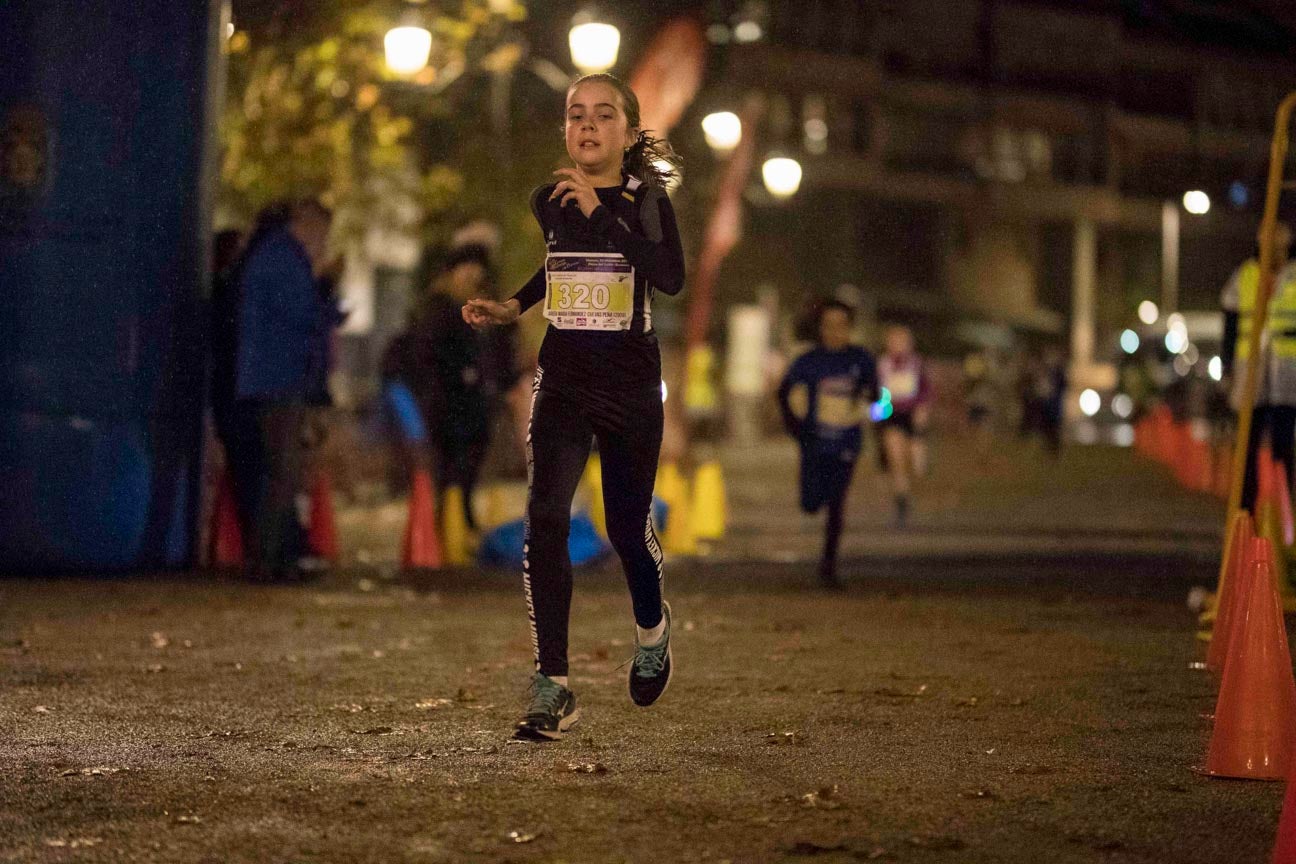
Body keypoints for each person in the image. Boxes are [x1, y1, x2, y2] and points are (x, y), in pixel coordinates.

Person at [461, 73, 685, 742]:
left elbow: (667, 276)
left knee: (624, 529)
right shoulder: (549, 201)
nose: (587, 125)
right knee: (545, 516)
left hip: (630, 386)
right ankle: (552, 684)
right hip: (562, 381)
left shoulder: (648, 200)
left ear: (625, 128)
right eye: (575, 114)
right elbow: (562, 262)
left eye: (603, 114)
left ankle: (652, 627)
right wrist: (514, 305)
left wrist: (600, 211)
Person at [220, 198, 333, 581]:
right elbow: (302, 317)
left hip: (269, 378)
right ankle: (271, 560)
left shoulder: (270, 255)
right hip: (279, 378)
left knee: (278, 471)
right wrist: (328, 293)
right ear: (307, 226)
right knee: (282, 472)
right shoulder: (285, 259)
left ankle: (275, 556)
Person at [409, 242, 518, 531]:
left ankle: (461, 518)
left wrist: (503, 381)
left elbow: (502, 348)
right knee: (448, 464)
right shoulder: (440, 307)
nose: (472, 274)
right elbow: (427, 353)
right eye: (466, 267)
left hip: (479, 400)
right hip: (447, 399)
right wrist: (458, 374)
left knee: (471, 461)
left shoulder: (486, 305)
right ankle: (447, 521)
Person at [777, 300, 878, 588]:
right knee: (810, 503)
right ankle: (815, 500)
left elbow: (877, 394)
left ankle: (828, 566)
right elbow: (783, 392)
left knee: (837, 502)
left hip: (847, 442)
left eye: (841, 325)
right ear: (820, 329)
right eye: (829, 325)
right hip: (814, 443)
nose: (835, 332)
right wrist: (795, 426)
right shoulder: (808, 361)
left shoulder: (861, 359)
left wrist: (874, 407)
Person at [1221, 221, 1296, 510]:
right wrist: (1227, 366)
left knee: (1283, 445)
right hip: (1251, 370)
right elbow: (1229, 322)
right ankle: (1246, 509)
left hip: (1288, 375)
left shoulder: (1292, 275)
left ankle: (1284, 513)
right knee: (1247, 445)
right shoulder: (1245, 275)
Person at [876, 325, 931, 526]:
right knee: (896, 459)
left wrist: (922, 411)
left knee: (916, 465)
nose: (897, 345)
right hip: (892, 416)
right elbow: (879, 394)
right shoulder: (882, 364)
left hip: (913, 416)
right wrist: (878, 414)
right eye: (893, 341)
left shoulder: (917, 364)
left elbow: (925, 391)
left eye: (902, 341)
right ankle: (902, 501)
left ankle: (913, 486)